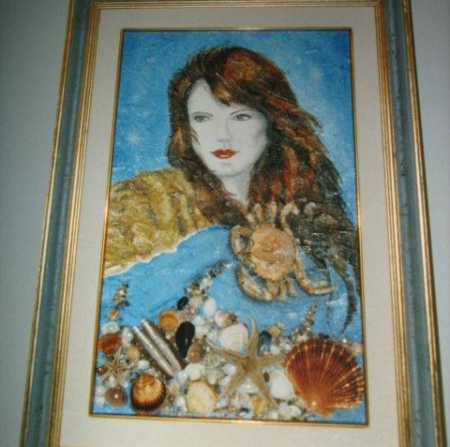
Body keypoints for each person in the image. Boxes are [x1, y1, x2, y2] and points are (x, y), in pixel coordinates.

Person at [104, 45, 359, 328]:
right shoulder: (148, 200)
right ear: (185, 127)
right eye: (202, 118)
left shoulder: (306, 206)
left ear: (272, 121)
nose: (222, 135)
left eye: (240, 117)